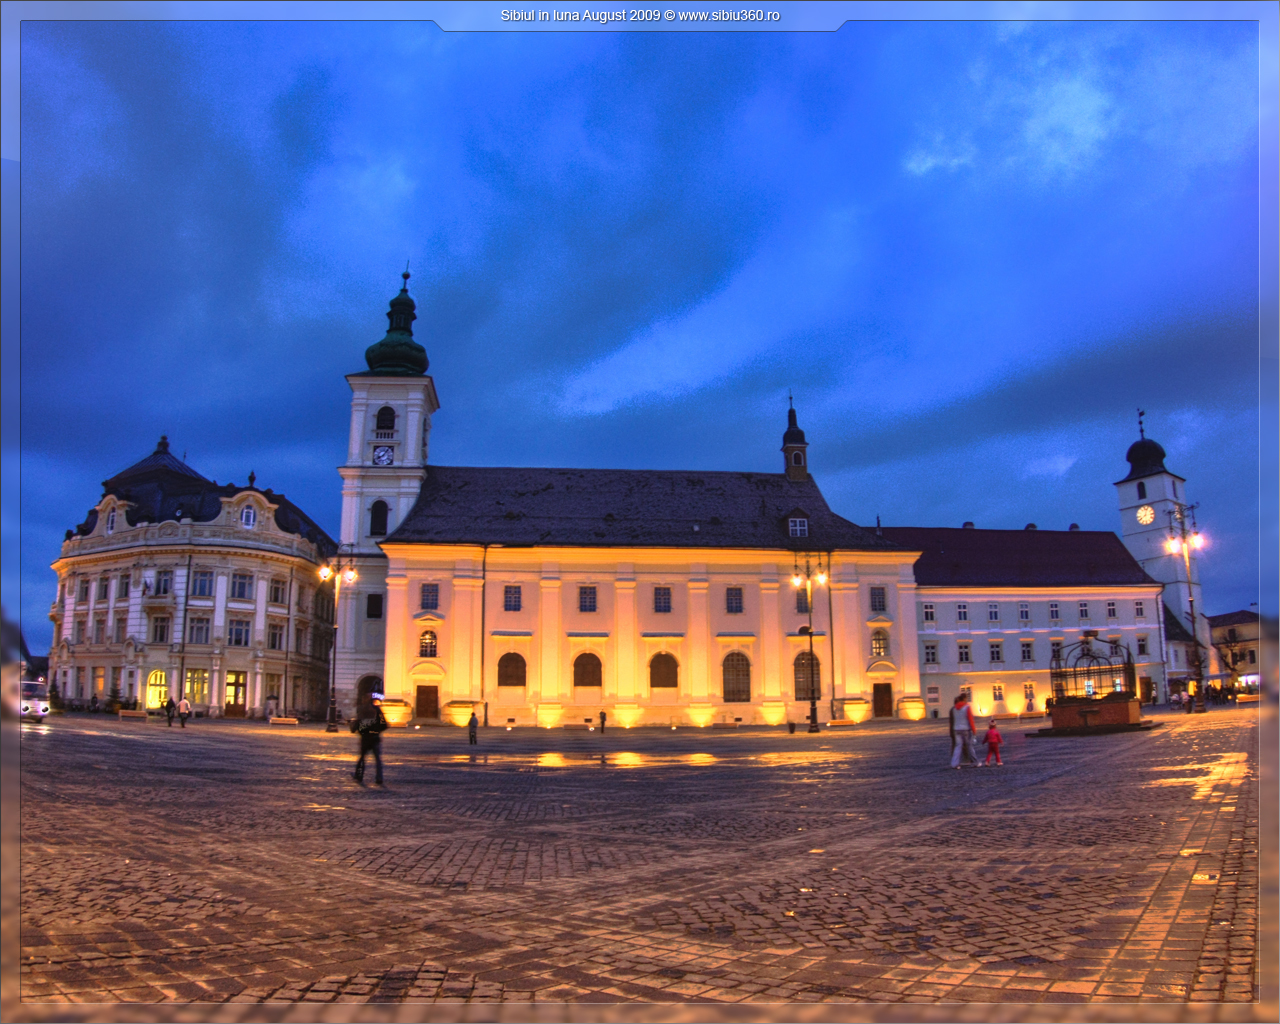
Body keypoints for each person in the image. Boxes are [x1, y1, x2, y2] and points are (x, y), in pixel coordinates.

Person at [354, 692, 388, 786]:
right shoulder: (377, 710)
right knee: (377, 759)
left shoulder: (362, 710)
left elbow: (357, 724)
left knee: (362, 758)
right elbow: (384, 724)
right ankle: (379, 778)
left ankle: (359, 775)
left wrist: (360, 731)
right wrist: (377, 730)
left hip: (365, 738)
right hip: (375, 737)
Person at [949, 693, 977, 769]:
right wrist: (974, 730)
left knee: (958, 746)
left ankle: (954, 764)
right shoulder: (967, 707)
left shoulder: (954, 708)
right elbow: (970, 719)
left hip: (956, 729)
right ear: (964, 699)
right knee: (969, 746)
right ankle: (975, 762)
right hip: (965, 729)